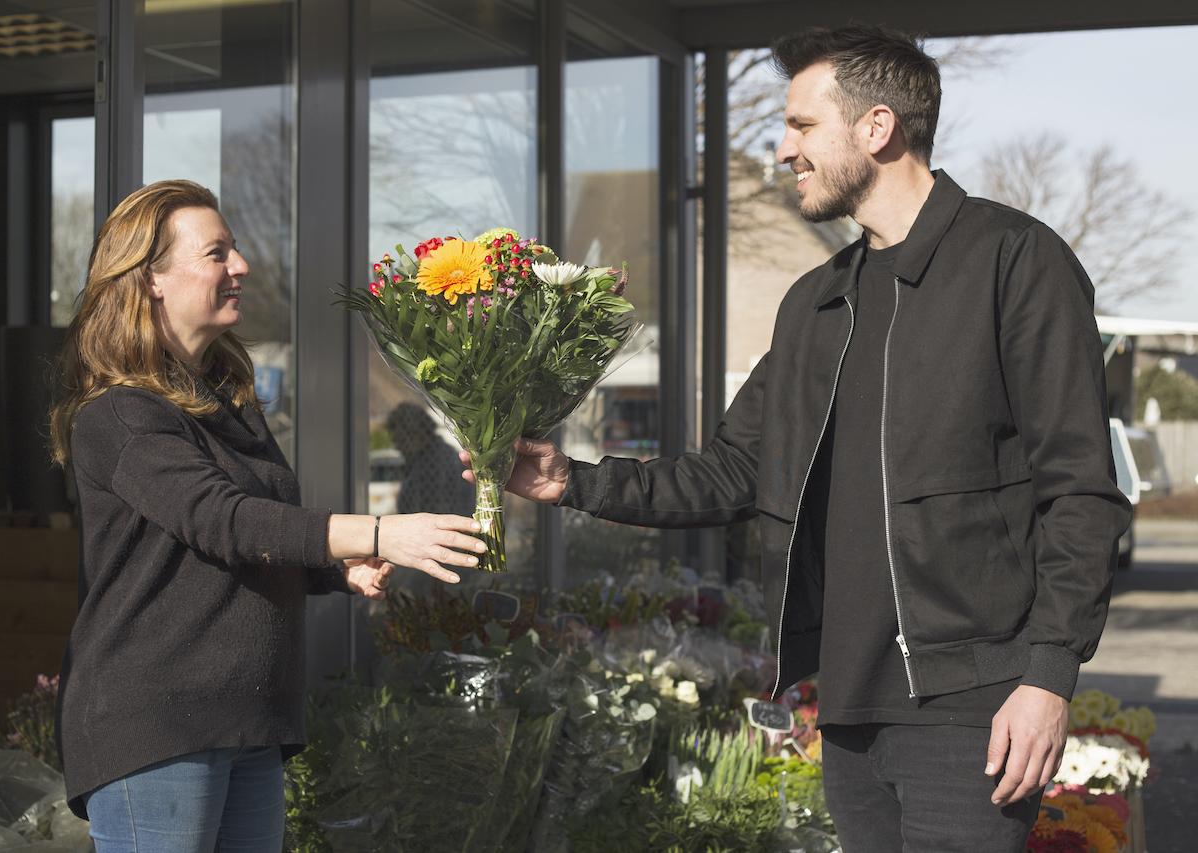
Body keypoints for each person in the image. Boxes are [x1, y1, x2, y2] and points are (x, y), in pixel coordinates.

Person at [467, 25, 1132, 853]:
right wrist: (572, 480)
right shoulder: (816, 301)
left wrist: (1048, 674)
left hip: (973, 703)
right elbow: (734, 471)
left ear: (876, 127)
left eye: (802, 126)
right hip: (849, 709)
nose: (782, 149)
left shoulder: (1014, 262)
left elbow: (1080, 489)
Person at [49, 179, 482, 852]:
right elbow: (224, 521)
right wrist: (378, 531)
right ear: (151, 279)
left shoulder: (227, 400)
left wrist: (336, 571)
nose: (241, 266)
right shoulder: (120, 414)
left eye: (235, 250)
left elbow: (254, 537)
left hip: (247, 719)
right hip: (159, 726)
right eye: (218, 252)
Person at [386, 402, 475, 516]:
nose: (398, 446)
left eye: (401, 440)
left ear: (420, 435)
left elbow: (429, 511)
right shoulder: (436, 456)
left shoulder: (433, 464)